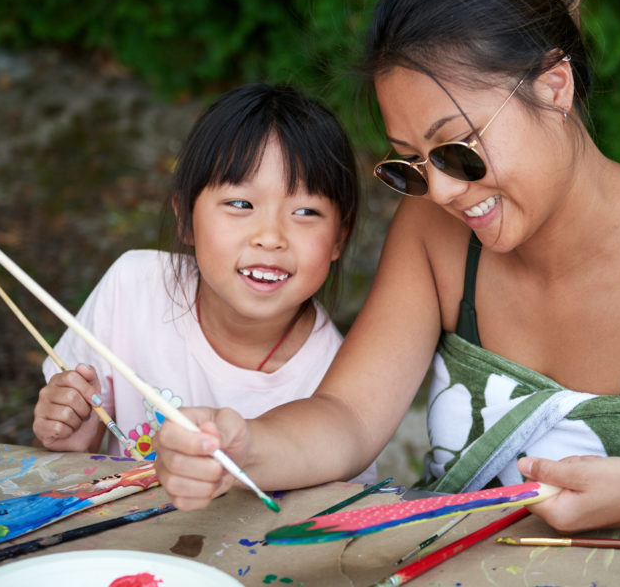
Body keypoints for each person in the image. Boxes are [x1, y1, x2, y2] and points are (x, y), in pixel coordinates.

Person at [154, 0, 620, 544]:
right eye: (412, 165)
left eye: (457, 150)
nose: (445, 191)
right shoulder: (434, 231)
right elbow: (349, 417)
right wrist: (244, 449)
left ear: (554, 86)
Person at [33, 83, 376, 484]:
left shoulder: (340, 382)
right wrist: (74, 444)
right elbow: (62, 465)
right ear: (185, 218)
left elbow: (334, 521)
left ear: (339, 237)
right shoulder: (132, 289)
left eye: (304, 211)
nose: (270, 236)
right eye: (241, 204)